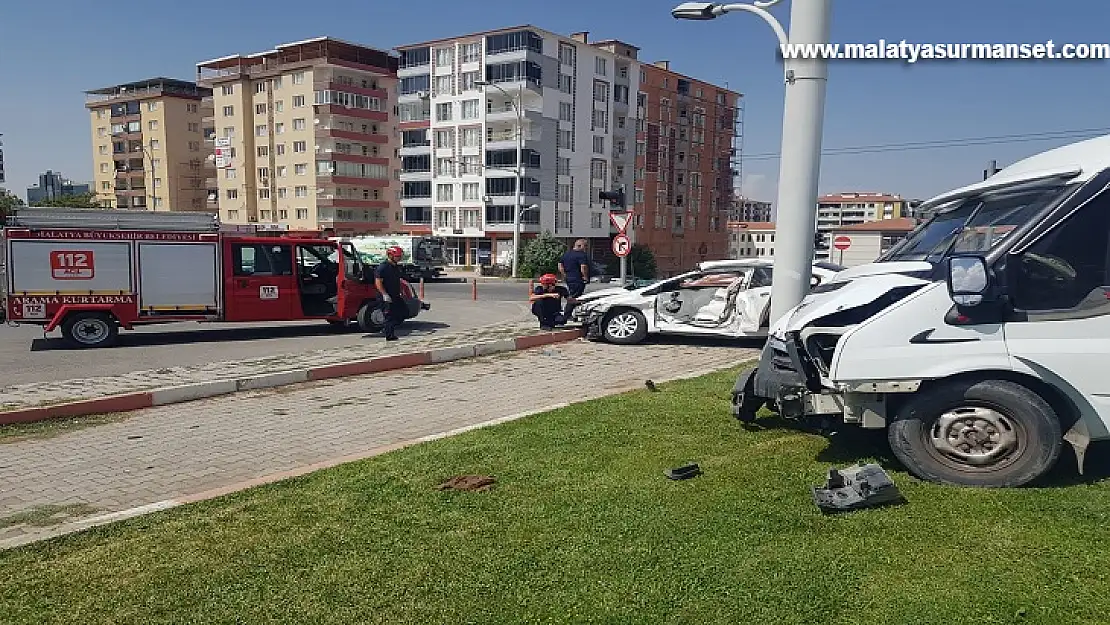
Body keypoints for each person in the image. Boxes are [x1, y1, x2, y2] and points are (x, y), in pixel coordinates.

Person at [374, 245, 409, 341]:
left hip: (395, 295)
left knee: (403, 312)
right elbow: (378, 282)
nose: (399, 258)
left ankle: (387, 328)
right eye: (397, 256)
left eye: (400, 256)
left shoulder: (396, 267)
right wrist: (384, 294)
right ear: (390, 256)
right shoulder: (383, 267)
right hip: (386, 296)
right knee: (389, 316)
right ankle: (389, 335)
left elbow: (397, 281)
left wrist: (401, 292)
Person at [558, 238, 590, 317]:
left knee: (577, 296)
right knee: (575, 297)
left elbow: (560, 265)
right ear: (580, 246)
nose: (586, 248)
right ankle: (567, 315)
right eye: (585, 246)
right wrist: (585, 277)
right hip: (578, 279)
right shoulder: (581, 255)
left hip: (569, 279)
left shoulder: (566, 254)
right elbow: (583, 267)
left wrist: (565, 275)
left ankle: (575, 314)